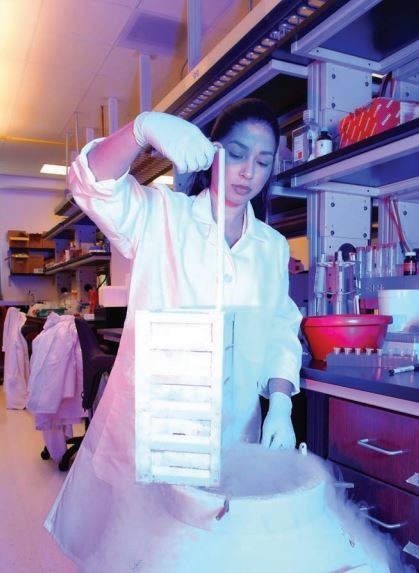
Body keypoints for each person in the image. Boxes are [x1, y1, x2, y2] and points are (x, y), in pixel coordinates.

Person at [44, 98, 302, 570]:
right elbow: (92, 184)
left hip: (233, 431)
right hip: (153, 433)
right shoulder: (162, 214)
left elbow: (280, 329)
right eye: (238, 154)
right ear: (211, 151)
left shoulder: (272, 247)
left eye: (263, 162)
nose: (248, 171)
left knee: (206, 553)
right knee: (142, 552)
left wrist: (281, 402)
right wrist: (141, 129)